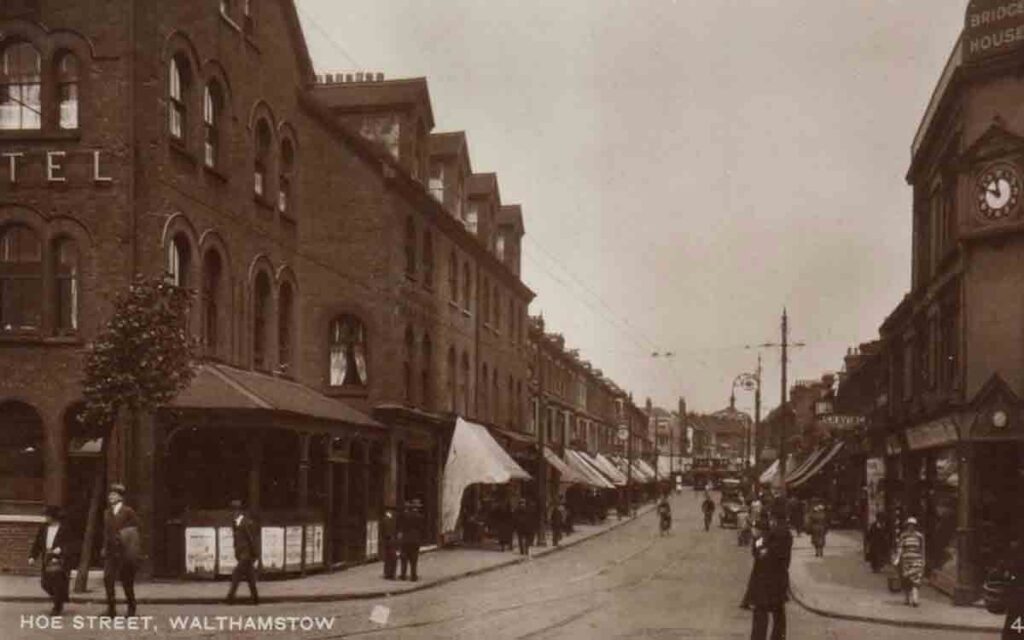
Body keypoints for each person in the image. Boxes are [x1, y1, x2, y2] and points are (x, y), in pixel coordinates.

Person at [746, 513, 793, 640]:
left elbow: (757, 553)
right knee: (778, 612)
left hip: (764, 582)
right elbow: (786, 560)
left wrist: (756, 538)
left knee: (761, 613)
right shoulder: (787, 535)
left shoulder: (766, 537)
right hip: (780, 580)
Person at [28, 506, 75, 615]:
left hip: (60, 559)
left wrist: (61, 549)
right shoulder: (43, 528)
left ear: (54, 517)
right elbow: (37, 543)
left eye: (47, 516)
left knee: (57, 582)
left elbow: (72, 543)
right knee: (45, 583)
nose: (45, 518)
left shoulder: (65, 528)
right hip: (47, 557)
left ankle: (57, 607)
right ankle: (60, 597)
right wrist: (32, 556)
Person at [102, 483, 140, 618]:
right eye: (110, 494)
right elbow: (106, 533)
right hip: (111, 552)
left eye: (114, 495)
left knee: (127, 581)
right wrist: (104, 548)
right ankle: (111, 609)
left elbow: (135, 529)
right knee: (108, 580)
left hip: (125, 552)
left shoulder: (128, 512)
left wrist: (126, 540)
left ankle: (131, 607)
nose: (110, 497)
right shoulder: (107, 513)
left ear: (120, 497)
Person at [226, 499, 259, 605]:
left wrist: (255, 554)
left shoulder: (245, 523)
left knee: (236, 575)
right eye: (232, 510)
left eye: (234, 510)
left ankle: (230, 598)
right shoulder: (236, 523)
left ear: (239, 511)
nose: (233, 513)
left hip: (246, 555)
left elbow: (251, 539)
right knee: (250, 578)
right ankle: (255, 599)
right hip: (242, 555)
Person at [894, 516, 925, 607]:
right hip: (906, 560)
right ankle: (907, 598)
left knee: (916, 579)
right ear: (907, 525)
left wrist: (923, 560)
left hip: (916, 560)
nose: (911, 527)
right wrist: (897, 558)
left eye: (913, 525)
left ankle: (915, 599)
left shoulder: (919, 536)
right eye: (909, 525)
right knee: (906, 579)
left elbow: (922, 549)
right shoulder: (903, 535)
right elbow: (900, 547)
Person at [399, 499, 424, 581]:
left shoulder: (406, 515)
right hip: (415, 540)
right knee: (414, 559)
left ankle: (403, 575)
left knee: (404, 558)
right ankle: (413, 576)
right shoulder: (420, 517)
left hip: (406, 539)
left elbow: (402, 526)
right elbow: (421, 528)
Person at [380, 506, 399, 578]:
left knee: (389, 558)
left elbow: (384, 531)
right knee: (392, 558)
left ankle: (388, 573)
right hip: (391, 541)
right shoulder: (389, 519)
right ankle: (390, 573)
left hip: (389, 541)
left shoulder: (387, 519)